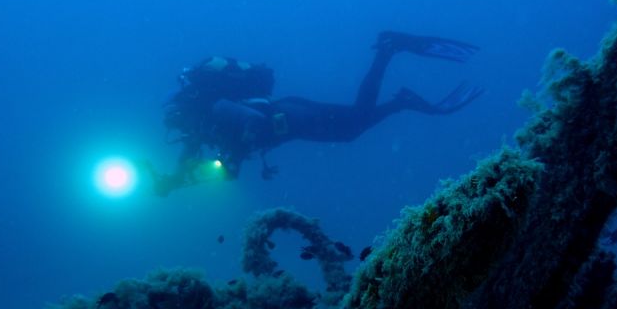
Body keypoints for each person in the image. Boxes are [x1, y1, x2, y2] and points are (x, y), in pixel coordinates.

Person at [146, 31, 484, 195]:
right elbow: (188, 163)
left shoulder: (214, 108)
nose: (175, 128)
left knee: (355, 122)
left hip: (290, 117)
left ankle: (388, 52)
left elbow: (253, 121)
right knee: (355, 124)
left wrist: (234, 152)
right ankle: (401, 97)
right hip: (292, 117)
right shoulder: (201, 128)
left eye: (174, 120)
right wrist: (170, 183)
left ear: (184, 109)